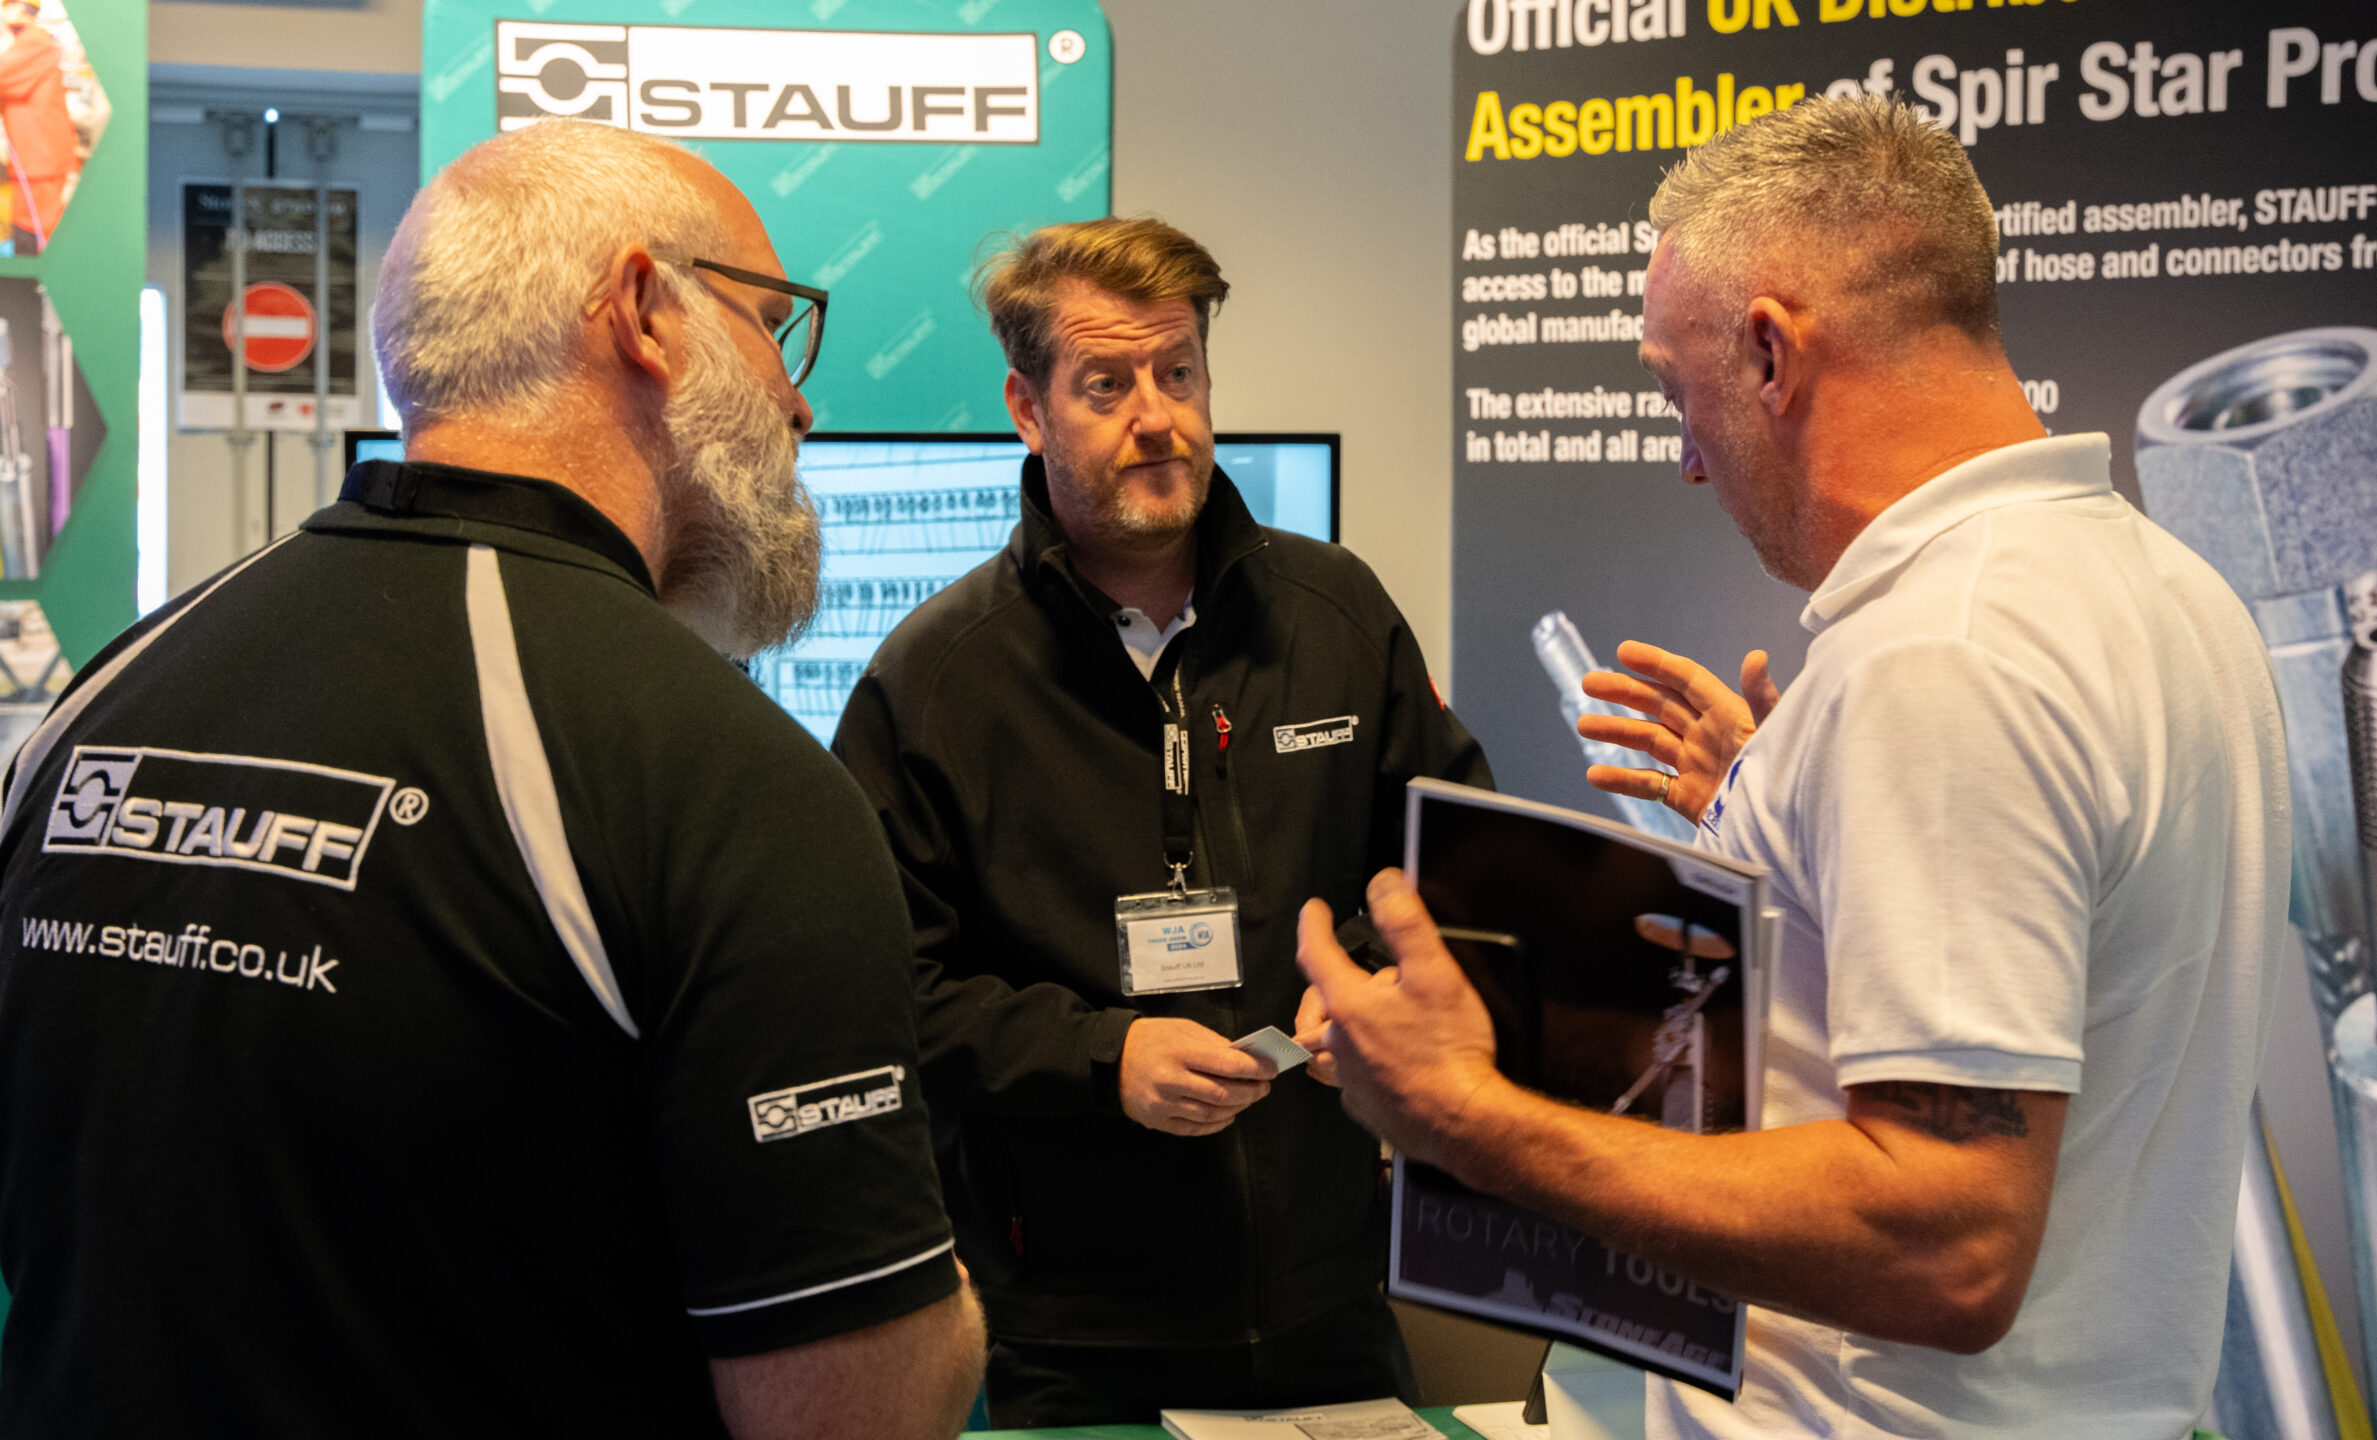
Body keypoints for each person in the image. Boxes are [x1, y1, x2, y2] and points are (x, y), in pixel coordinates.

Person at [1297, 95, 2288, 1436]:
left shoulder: (1942, 660)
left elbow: (1947, 1242)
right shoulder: (2163, 591)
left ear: (1770, 350)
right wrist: (1788, 812)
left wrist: (1470, 1118)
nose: (1687, 460)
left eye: (1677, 391)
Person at [0, 121, 983, 1439]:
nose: (797, 402)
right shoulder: (724, 783)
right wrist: (946, 1297)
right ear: (646, 312)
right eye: (770, 325)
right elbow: (847, 1414)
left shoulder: (101, 700)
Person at [831, 217, 1492, 1428]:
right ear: (1028, 409)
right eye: (1106, 385)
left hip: (1331, 1302)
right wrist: (1103, 1058)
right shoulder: (935, 681)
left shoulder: (1335, 614)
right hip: (1069, 1332)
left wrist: (1368, 983)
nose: (1157, 417)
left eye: (1178, 372)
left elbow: (1454, 865)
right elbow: (884, 996)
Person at [0, 0, 74, 248]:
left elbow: (3, 75)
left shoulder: (35, 42)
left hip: (40, 158)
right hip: (34, 156)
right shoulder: (29, 42)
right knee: (28, 228)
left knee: (37, 233)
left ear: (18, 9)